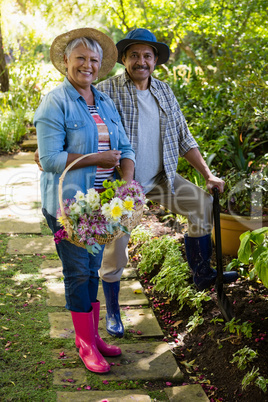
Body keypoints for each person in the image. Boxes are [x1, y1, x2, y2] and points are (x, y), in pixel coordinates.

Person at [95, 28, 238, 338]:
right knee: (116, 249)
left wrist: (207, 173)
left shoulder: (164, 91)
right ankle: (114, 311)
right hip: (124, 184)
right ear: (123, 59)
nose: (141, 61)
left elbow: (184, 137)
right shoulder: (106, 91)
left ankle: (201, 274)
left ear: (155, 60)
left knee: (200, 204)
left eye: (147, 56)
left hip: (162, 177)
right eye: (134, 55)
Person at [33, 28, 135, 372]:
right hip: (70, 205)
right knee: (78, 272)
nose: (87, 65)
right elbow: (49, 159)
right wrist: (96, 159)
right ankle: (85, 344)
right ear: (66, 62)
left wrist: (127, 185)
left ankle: (92, 336)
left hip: (101, 204)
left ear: (101, 65)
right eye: (80, 58)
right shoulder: (55, 101)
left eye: (94, 60)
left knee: (92, 269)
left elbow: (125, 146)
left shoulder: (104, 101)